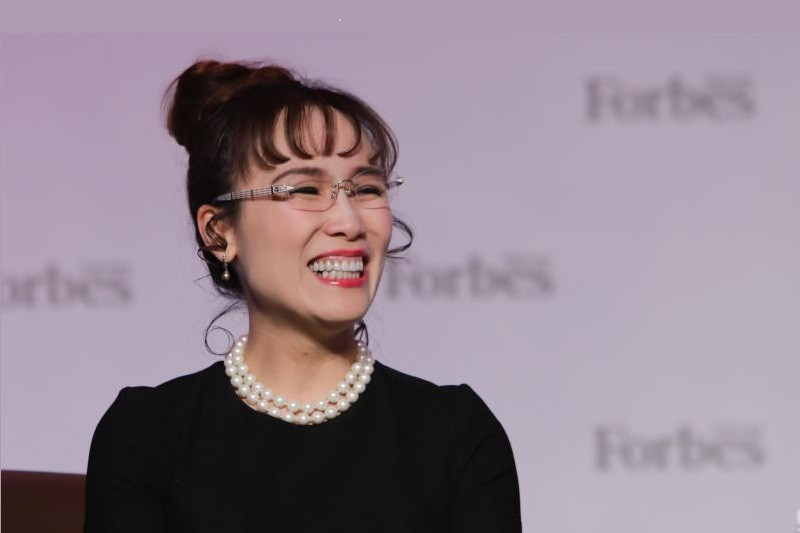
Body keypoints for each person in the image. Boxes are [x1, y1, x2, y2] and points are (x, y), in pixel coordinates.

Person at [84, 59, 521, 532]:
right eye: (306, 189)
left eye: (366, 188)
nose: (349, 222)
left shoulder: (456, 435)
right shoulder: (147, 435)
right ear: (218, 231)